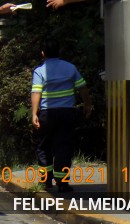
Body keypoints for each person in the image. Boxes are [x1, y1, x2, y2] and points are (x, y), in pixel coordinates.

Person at [31, 38, 92, 192]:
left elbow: (36, 92)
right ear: (59, 51)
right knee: (63, 147)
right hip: (67, 113)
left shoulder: (40, 71)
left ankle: (46, 181)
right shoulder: (70, 68)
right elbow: (82, 88)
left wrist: (34, 113)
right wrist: (87, 105)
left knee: (44, 146)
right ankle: (62, 183)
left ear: (43, 53)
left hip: (47, 114)